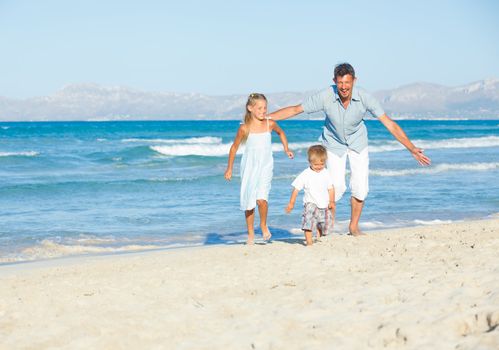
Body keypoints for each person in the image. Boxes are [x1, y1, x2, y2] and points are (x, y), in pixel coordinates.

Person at [268, 63, 431, 236]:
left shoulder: (365, 97)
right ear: (334, 81)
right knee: (335, 187)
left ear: (354, 80)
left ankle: (353, 227)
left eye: (347, 82)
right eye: (340, 83)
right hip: (333, 143)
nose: (344, 87)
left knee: (360, 188)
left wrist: (411, 148)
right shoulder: (326, 95)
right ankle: (325, 228)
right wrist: (265, 118)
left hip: (357, 143)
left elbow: (389, 123)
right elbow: (295, 109)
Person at [225, 93, 294, 244]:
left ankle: (263, 224)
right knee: (249, 201)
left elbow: (281, 133)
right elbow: (234, 147)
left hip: (266, 166)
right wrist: (229, 168)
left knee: (262, 200)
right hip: (249, 167)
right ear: (250, 108)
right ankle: (250, 233)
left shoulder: (270, 124)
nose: (263, 111)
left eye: (265, 108)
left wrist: (286, 148)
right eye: (260, 108)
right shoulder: (244, 128)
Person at [286, 145, 335, 246]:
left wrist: (332, 201)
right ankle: (309, 242)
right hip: (310, 203)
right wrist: (291, 203)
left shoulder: (326, 172)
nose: (319, 167)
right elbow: (296, 189)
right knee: (308, 222)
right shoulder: (305, 174)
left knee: (324, 223)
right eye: (316, 164)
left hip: (324, 204)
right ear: (310, 162)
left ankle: (319, 235)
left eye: (322, 164)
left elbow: (331, 188)